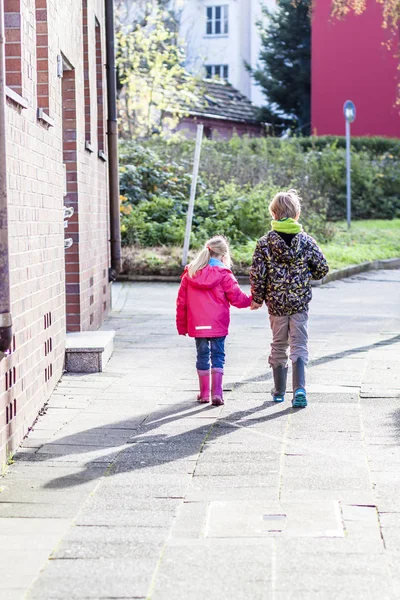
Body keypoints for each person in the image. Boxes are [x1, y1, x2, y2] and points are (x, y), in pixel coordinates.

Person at [249, 189, 329, 408]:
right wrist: (304, 276)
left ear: (273, 214)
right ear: (297, 214)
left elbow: (258, 274)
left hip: (275, 304)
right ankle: (300, 389)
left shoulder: (264, 243)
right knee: (299, 343)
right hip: (299, 303)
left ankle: (278, 391)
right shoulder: (306, 241)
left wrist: (257, 298)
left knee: (278, 343)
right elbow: (322, 268)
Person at [176, 235, 252, 406]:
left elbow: (181, 302)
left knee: (202, 355)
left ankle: (204, 394)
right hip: (217, 324)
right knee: (218, 355)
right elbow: (238, 298)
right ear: (223, 255)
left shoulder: (190, 273)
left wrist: (182, 326)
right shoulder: (224, 274)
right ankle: (217, 394)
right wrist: (253, 299)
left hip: (197, 324)